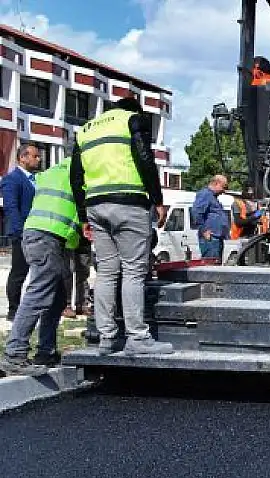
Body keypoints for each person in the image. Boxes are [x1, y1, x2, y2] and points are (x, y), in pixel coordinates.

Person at [71, 96, 172, 355]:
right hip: (128, 203)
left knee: (106, 272)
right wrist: (157, 199)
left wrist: (83, 215)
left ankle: (106, 338)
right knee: (133, 271)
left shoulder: (85, 129)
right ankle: (137, 337)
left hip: (96, 205)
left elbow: (76, 176)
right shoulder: (132, 120)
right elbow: (144, 158)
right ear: (134, 109)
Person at [0, 157, 85, 376]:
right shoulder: (82, 171)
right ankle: (15, 354)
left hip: (43, 235)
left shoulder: (54, 171)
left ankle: (46, 352)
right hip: (47, 237)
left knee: (57, 298)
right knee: (38, 294)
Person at [2, 143, 42, 320]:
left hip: (37, 232)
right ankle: (13, 309)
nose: (39, 159)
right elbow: (11, 208)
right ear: (23, 158)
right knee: (19, 272)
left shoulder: (36, 179)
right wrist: (20, 231)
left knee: (37, 272)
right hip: (22, 233)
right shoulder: (13, 179)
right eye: (35, 156)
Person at [190, 174, 230, 260]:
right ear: (216, 183)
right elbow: (197, 212)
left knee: (216, 266)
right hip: (210, 238)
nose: (224, 190)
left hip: (216, 237)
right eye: (223, 187)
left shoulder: (213, 197)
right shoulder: (205, 194)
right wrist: (204, 230)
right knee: (211, 265)